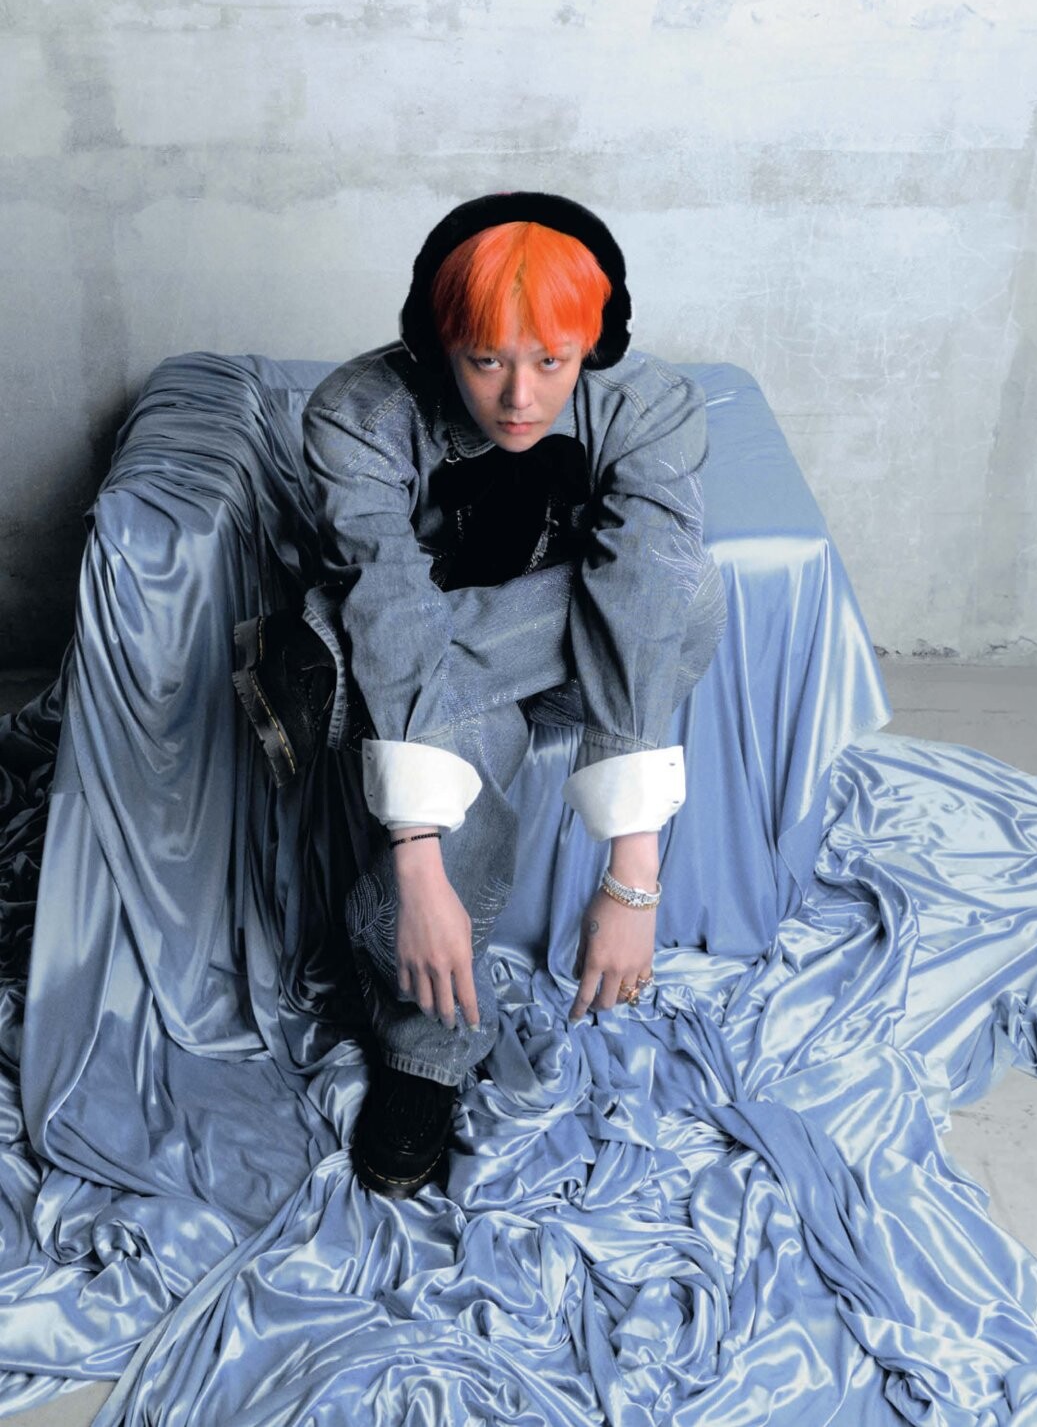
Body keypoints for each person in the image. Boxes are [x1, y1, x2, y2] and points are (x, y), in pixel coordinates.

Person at [233, 191, 727, 1198]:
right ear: (437, 345)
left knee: (683, 587)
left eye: (551, 361)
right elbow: (394, 603)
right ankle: (424, 1054)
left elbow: (643, 600)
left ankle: (322, 664)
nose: (518, 398)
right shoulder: (357, 412)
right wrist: (416, 867)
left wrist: (632, 873)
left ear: (594, 343)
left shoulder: (651, 407)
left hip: (579, 656)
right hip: (416, 652)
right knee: (461, 725)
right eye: (485, 360)